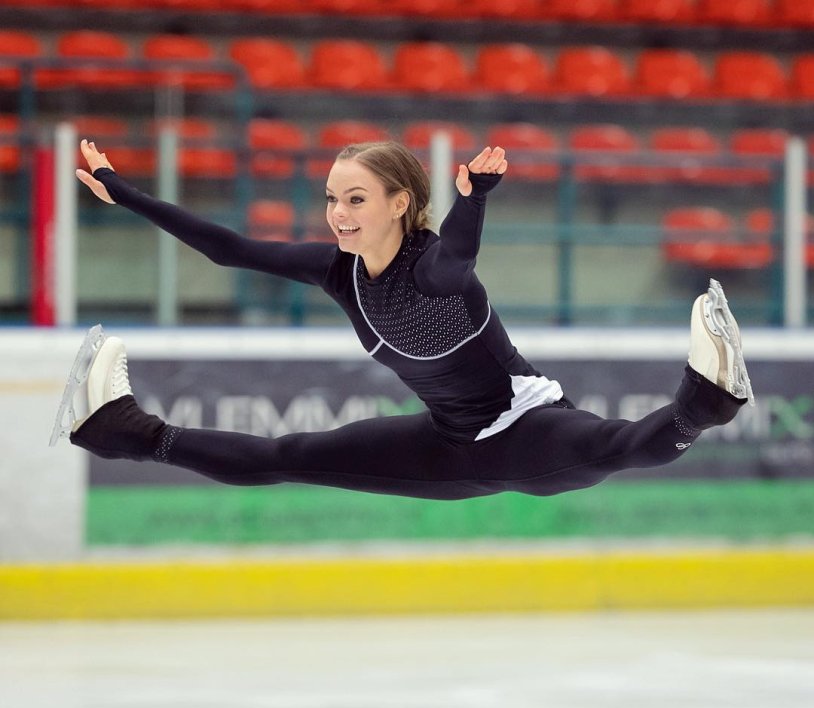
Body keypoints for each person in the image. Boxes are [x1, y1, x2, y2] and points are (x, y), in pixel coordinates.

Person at [53, 137, 753, 500]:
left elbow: (458, 260)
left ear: (398, 203)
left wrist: (475, 196)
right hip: (449, 444)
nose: (337, 214)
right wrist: (123, 192)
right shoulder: (338, 271)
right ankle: (118, 431)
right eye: (332, 198)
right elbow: (227, 248)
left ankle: (708, 400)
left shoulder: (431, 267)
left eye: (355, 199)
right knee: (287, 455)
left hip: (524, 427)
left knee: (615, 447)